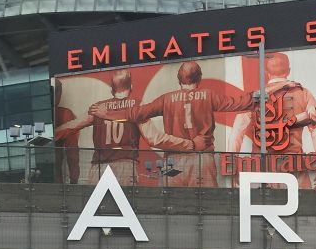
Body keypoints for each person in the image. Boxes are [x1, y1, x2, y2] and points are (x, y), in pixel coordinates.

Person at [95, 61, 259, 187]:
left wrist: (108, 114)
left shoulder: (166, 99)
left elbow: (137, 113)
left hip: (172, 161)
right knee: (206, 205)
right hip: (202, 159)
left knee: (169, 205)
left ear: (179, 79)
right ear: (199, 78)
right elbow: (236, 103)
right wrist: (256, 97)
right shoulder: (209, 95)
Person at [227, 51, 316, 189]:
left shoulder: (255, 97)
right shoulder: (303, 93)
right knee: (301, 202)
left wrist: (232, 167)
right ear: (288, 71)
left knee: (258, 202)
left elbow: (236, 133)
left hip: (260, 166)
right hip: (294, 165)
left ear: (266, 72)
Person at [53, 80, 80, 184]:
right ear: (58, 94)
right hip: (56, 177)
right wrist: (74, 179)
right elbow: (72, 153)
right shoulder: (65, 114)